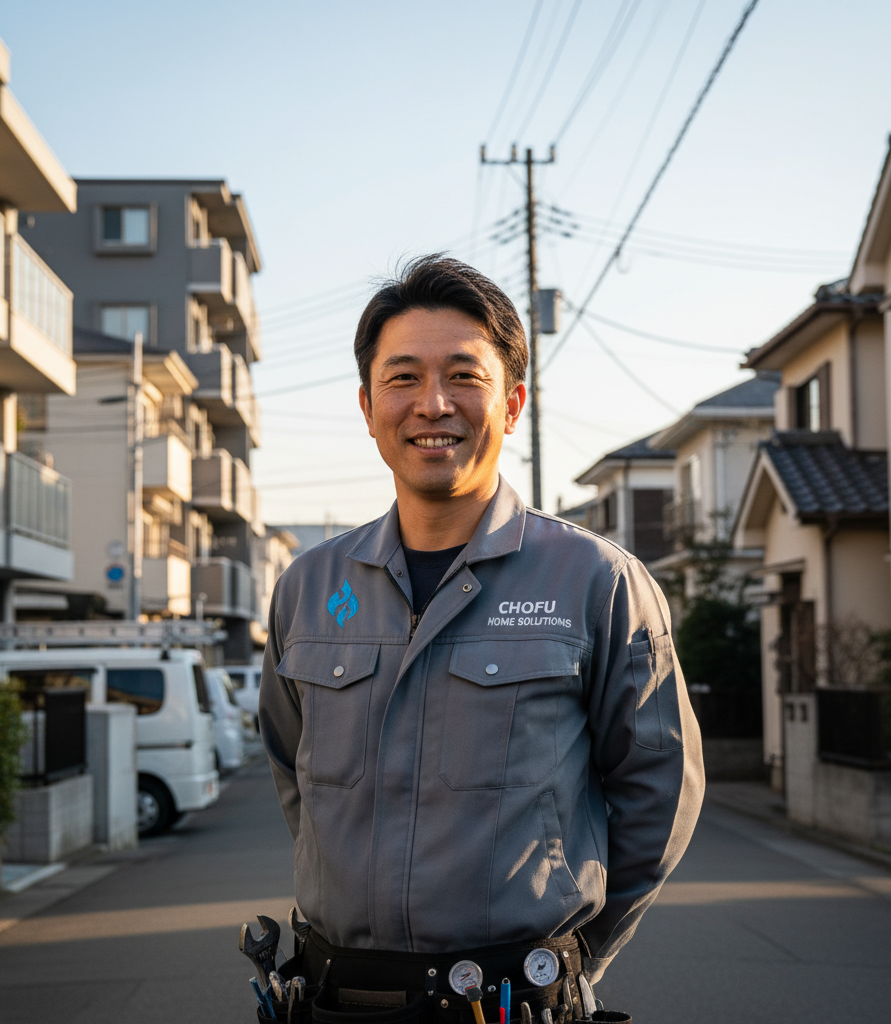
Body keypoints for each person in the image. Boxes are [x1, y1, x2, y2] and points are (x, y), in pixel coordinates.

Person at [259, 254, 703, 1022]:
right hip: (335, 998)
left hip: (515, 1000)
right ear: (367, 405)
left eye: (464, 376)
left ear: (512, 403)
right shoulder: (308, 586)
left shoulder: (598, 581)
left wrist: (574, 954)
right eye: (403, 378)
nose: (433, 404)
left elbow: (660, 792)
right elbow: (294, 773)